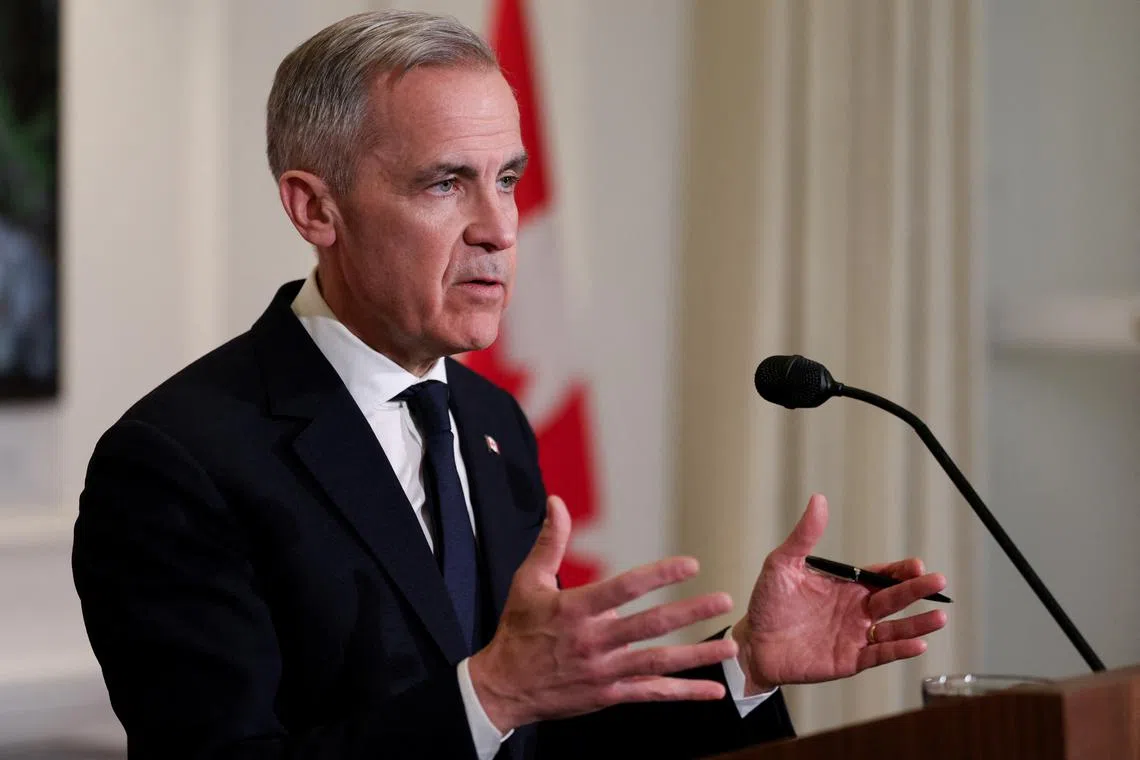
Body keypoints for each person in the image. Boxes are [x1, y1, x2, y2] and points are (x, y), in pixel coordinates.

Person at [71, 11, 948, 759]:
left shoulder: (490, 421)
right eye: (446, 183)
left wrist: (744, 664)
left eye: (509, 180)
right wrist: (487, 696)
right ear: (315, 208)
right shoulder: (177, 462)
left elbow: (539, 737)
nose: (499, 228)